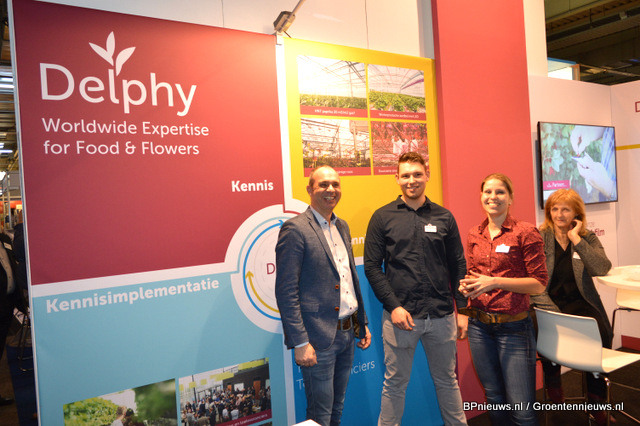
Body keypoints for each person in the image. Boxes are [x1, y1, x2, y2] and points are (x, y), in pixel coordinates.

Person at [364, 152, 468, 426]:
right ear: (397, 179)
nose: (412, 180)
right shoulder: (382, 217)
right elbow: (372, 267)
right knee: (394, 384)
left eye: (417, 174)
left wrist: (463, 309)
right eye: (406, 175)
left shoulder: (444, 216)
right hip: (401, 318)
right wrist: (394, 307)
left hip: (442, 315)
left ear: (427, 175)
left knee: (447, 381)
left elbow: (458, 264)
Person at [275, 165, 371, 426]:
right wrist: (300, 342)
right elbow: (286, 291)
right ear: (310, 189)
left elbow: (348, 279)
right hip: (318, 340)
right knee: (319, 415)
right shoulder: (295, 229)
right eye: (323, 184)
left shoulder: (343, 226)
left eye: (336, 184)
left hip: (347, 334)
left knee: (337, 409)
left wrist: (361, 323)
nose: (331, 189)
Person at [459, 173, 547, 426]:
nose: (493, 197)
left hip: (514, 327)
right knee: (495, 397)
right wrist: (468, 287)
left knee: (521, 409)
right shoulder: (474, 233)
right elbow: (475, 276)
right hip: (479, 327)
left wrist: (495, 281)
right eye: (488, 192)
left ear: (510, 198)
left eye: (500, 192)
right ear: (481, 196)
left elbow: (539, 284)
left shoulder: (525, 232)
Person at [530, 189, 613, 424]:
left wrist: (576, 238)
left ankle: (596, 402)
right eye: (554, 209)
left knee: (600, 334)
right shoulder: (540, 236)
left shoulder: (587, 237)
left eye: (565, 209)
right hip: (547, 302)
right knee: (546, 332)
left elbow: (601, 268)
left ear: (576, 213)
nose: (559, 214)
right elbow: (533, 280)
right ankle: (554, 385)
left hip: (580, 302)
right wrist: (553, 312)